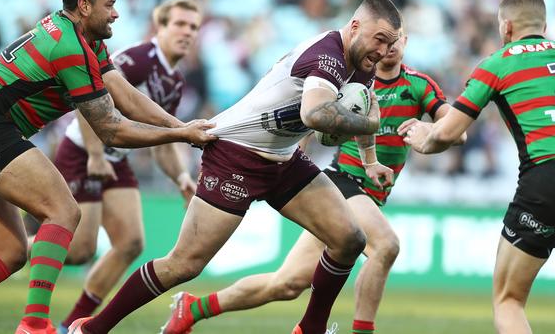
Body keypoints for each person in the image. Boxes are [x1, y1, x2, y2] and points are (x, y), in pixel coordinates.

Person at [67, 0, 402, 334]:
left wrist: (369, 159)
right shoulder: (327, 55)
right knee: (184, 264)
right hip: (235, 155)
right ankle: (92, 328)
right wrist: (366, 124)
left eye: (390, 44)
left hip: (283, 159)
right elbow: (314, 113)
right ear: (356, 26)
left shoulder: (362, 63)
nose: (384, 50)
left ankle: (310, 329)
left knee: (349, 239)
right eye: (380, 39)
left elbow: (358, 110)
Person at [157, 29, 462, 334]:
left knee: (287, 284)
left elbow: (456, 130)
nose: (389, 47)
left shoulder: (419, 85)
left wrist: (428, 130)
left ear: (406, 42)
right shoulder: (349, 75)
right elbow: (308, 118)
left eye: (396, 40)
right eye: (383, 40)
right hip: (343, 182)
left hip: (367, 196)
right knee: (385, 246)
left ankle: (193, 308)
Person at [0, 0, 215, 333]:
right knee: (62, 211)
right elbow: (111, 128)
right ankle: (34, 325)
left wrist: (180, 127)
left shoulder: (81, 36)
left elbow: (127, 96)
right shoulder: (70, 48)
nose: (117, 13)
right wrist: (181, 136)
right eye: (110, 5)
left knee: (11, 251)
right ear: (85, 6)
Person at [401, 0, 555, 333]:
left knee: (509, 299)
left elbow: (446, 134)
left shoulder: (498, 63)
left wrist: (421, 137)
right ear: (545, 25)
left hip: (546, 181)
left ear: (505, 26)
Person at [53, 0, 202, 334]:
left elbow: (164, 139)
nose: (187, 32)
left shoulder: (174, 81)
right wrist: (94, 154)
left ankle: (69, 325)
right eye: (179, 24)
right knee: (79, 250)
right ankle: (11, 249)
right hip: (83, 151)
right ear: (160, 27)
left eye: (193, 27)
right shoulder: (137, 59)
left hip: (116, 160)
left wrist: (181, 176)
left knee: (131, 243)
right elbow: (87, 96)